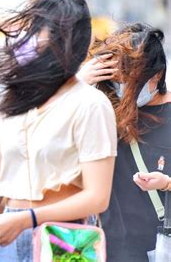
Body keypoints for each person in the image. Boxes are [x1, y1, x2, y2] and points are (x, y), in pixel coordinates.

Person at [0, 0, 117, 262]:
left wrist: (28, 219)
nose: (23, 38)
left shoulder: (90, 104)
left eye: (34, 29)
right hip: (11, 235)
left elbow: (97, 198)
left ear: (61, 40)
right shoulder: (16, 102)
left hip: (68, 236)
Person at [78, 23, 171, 261]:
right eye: (116, 81)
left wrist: (167, 184)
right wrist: (77, 86)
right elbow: (45, 145)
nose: (123, 89)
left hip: (158, 249)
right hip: (106, 247)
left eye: (129, 81)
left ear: (157, 75)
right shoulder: (100, 108)